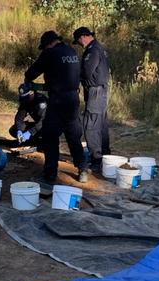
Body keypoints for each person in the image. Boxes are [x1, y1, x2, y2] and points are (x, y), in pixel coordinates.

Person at [24, 30, 88, 184]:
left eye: (44, 47)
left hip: (58, 100)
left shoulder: (50, 53)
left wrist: (29, 82)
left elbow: (32, 72)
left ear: (48, 44)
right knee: (73, 135)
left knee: (50, 136)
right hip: (73, 99)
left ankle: (50, 174)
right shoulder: (70, 51)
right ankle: (83, 169)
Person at [72, 26, 111, 172]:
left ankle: (96, 159)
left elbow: (87, 73)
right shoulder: (99, 47)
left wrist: (76, 77)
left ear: (83, 37)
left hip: (95, 91)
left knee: (91, 125)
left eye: (78, 41)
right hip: (100, 90)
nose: (80, 44)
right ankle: (105, 156)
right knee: (101, 123)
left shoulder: (92, 50)